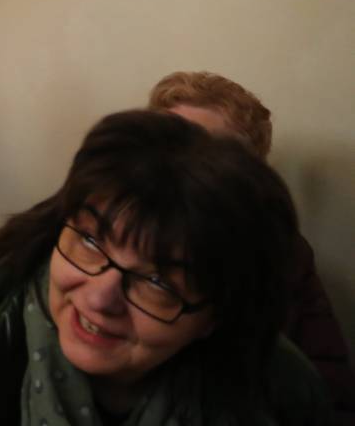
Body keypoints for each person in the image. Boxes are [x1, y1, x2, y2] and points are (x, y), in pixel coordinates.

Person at [0, 110, 332, 425]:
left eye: (157, 281)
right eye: (90, 241)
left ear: (216, 315)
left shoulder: (279, 391)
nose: (97, 297)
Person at [147, 71, 355, 419]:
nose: (173, 166)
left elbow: (330, 387)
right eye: (164, 143)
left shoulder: (285, 254)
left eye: (202, 154)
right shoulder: (91, 234)